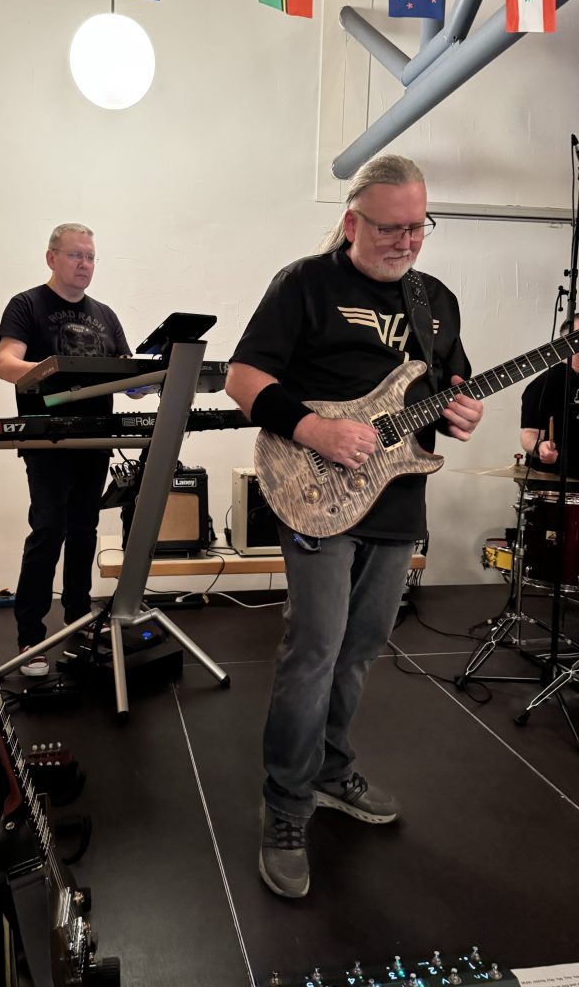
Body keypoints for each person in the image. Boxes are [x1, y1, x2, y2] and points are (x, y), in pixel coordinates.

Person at [225, 155, 484, 899]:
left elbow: (451, 388)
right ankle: (285, 805)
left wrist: (462, 412)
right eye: (391, 228)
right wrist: (315, 430)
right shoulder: (304, 284)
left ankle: (332, 770)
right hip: (317, 490)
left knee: (363, 646)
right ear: (351, 222)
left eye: (418, 227)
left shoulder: (435, 302)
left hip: (397, 500)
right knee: (314, 649)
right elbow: (244, 379)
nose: (407, 241)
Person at [0, 223, 131, 676]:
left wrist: (148, 375)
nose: (85, 264)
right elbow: (6, 364)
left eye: (91, 257)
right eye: (76, 255)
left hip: (95, 440)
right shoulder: (27, 305)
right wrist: (56, 370)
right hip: (48, 440)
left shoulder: (105, 315)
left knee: (84, 530)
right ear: (52, 258)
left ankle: (78, 620)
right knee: (48, 531)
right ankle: (31, 637)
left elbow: (127, 376)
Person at [520, 315, 579, 478]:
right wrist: (541, 447)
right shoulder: (545, 383)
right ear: (566, 341)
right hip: (554, 480)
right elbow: (528, 434)